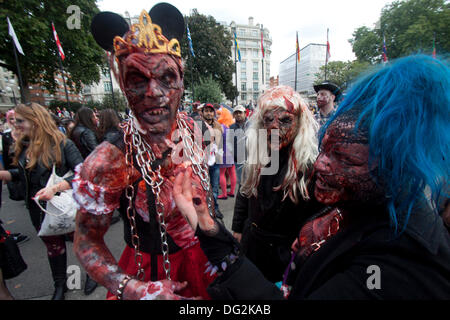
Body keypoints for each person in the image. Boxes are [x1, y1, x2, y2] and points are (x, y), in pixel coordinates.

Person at [174, 54, 450, 299]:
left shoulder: (396, 260)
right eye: (326, 150)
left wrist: (219, 245)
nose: (321, 165)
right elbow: (248, 195)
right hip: (255, 247)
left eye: (344, 158)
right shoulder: (359, 206)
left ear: (394, 166)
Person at [73, 5, 216, 300]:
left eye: (166, 78)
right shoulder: (109, 158)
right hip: (149, 273)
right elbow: (86, 240)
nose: (154, 92)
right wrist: (135, 289)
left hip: (206, 259)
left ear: (181, 82)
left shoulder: (195, 131)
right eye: (138, 80)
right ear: (124, 86)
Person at [231, 85, 322, 282]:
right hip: (252, 245)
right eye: (268, 120)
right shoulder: (257, 156)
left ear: (299, 124)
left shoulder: (308, 167)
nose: (273, 127)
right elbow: (244, 192)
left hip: (284, 255)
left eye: (285, 120)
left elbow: (316, 216)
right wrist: (238, 228)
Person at [0, 103, 84, 300]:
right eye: (14, 121)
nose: (15, 124)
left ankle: (90, 276)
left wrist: (56, 188)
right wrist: (6, 175)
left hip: (65, 207)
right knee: (54, 248)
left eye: (20, 121)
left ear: (35, 120)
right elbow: (24, 175)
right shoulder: (24, 145)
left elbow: (84, 173)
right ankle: (60, 285)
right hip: (38, 209)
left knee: (81, 246)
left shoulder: (63, 144)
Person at [201, 103, 223, 214]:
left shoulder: (218, 126)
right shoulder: (198, 125)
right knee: (203, 187)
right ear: (202, 112)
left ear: (214, 113)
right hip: (202, 162)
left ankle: (215, 208)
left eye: (211, 111)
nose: (209, 113)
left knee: (214, 187)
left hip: (215, 161)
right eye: (206, 111)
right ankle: (206, 210)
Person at [229, 105, 249, 187]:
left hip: (251, 159)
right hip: (238, 160)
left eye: (240, 112)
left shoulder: (252, 125)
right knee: (241, 182)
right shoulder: (231, 127)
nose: (238, 115)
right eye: (236, 113)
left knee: (251, 182)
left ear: (245, 113)